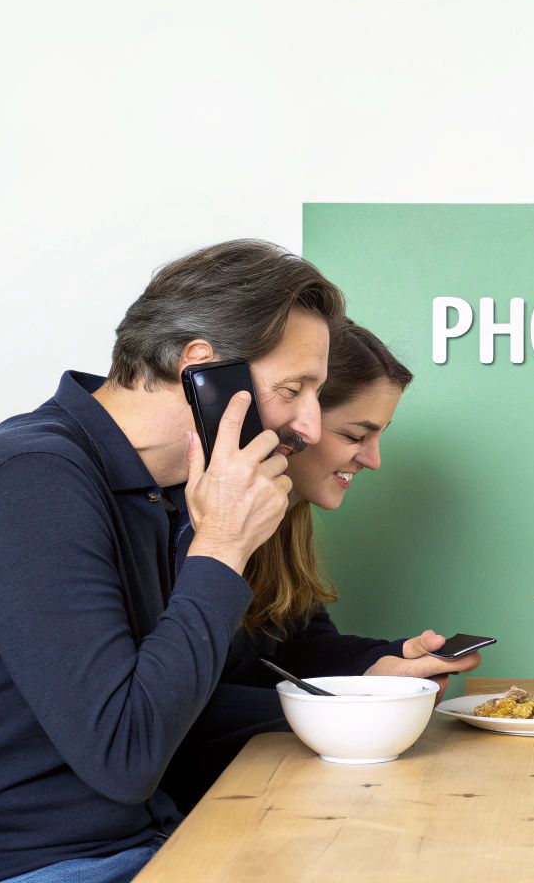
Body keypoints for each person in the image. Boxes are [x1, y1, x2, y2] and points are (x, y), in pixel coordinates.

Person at [0, 240, 342, 883]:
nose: (310, 428)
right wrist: (222, 548)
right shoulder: (32, 480)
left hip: (115, 843)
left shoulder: (164, 493)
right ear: (203, 369)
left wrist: (361, 693)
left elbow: (183, 700)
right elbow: (128, 752)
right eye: (294, 389)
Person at [157, 318, 482, 810]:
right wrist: (348, 703)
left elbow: (300, 645)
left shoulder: (282, 517)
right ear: (292, 422)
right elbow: (169, 703)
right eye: (356, 435)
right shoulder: (185, 522)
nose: (372, 460)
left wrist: (382, 663)